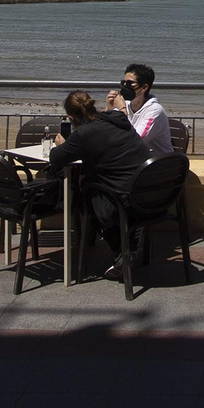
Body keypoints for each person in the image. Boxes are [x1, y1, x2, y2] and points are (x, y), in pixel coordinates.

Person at [52, 89, 152, 276]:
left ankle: (122, 253)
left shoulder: (83, 133)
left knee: (86, 195)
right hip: (152, 193)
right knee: (93, 186)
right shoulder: (117, 120)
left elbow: (55, 158)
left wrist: (61, 145)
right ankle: (129, 242)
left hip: (126, 200)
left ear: (71, 117)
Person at [106, 63, 173, 156]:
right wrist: (109, 109)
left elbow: (134, 142)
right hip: (133, 158)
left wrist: (122, 110)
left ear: (144, 88)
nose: (125, 87)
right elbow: (103, 130)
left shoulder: (154, 111)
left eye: (130, 84)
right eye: (124, 83)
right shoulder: (126, 104)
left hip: (156, 163)